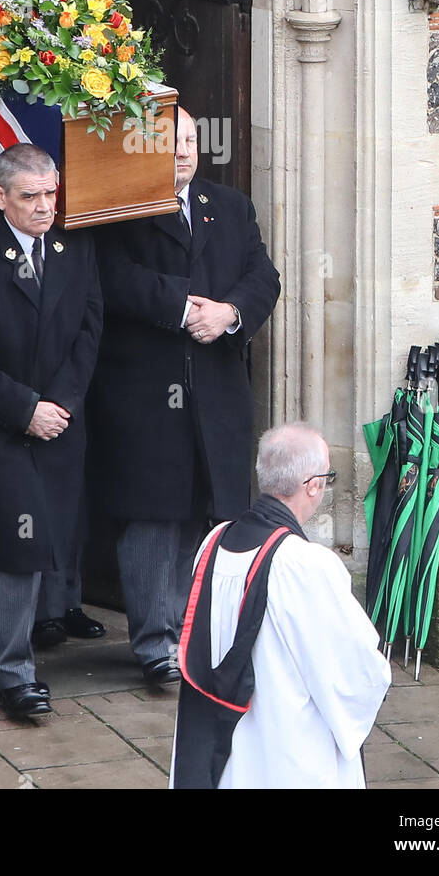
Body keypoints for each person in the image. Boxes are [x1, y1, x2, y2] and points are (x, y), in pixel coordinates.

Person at [87, 107, 281, 686]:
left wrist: (229, 313)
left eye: (190, 140)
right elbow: (110, 277)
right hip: (146, 393)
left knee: (206, 513)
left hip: (216, 391)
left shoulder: (230, 205)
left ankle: (192, 631)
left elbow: (262, 276)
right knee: (153, 520)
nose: (182, 151)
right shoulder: (121, 206)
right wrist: (182, 306)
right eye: (169, 142)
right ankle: (153, 643)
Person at [0, 143, 102, 720]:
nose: (43, 206)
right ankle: (13, 670)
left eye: (50, 193)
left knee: (52, 538)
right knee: (14, 550)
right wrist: (26, 408)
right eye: (29, 196)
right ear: (0, 196)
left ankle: (37, 647)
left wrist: (61, 402)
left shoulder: (75, 249)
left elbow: (88, 332)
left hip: (60, 423)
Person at [170, 422, 392, 789]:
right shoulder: (306, 565)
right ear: (313, 485)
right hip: (285, 752)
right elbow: (355, 672)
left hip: (219, 748)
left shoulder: (212, 543)